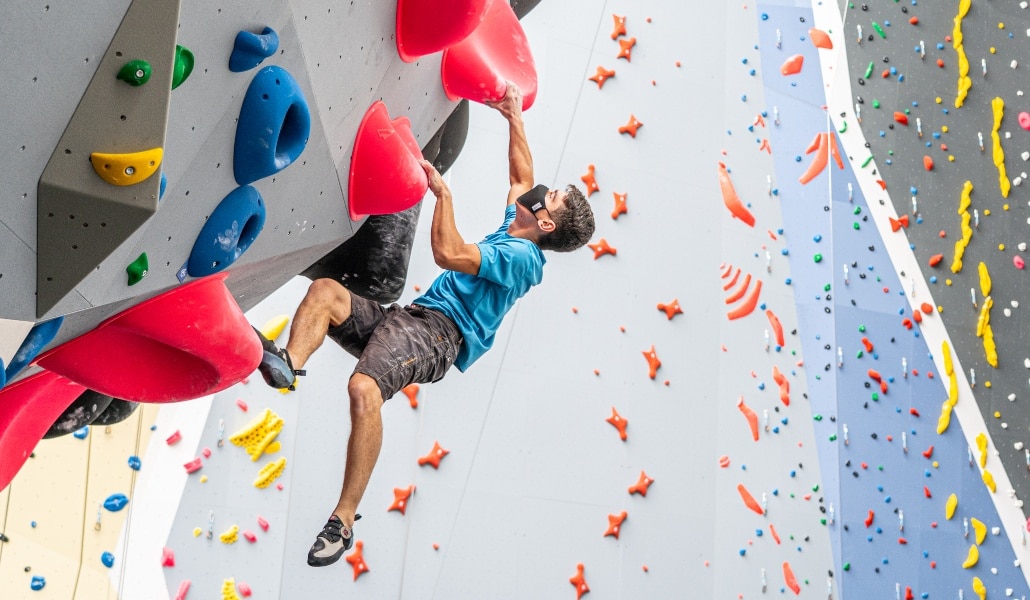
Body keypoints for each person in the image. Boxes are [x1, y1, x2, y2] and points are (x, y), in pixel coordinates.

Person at [254, 83, 596, 567]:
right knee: (326, 294)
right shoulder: (518, 223)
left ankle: (343, 520)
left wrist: (443, 195)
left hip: (439, 336)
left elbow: (448, 253)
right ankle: (288, 364)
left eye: (552, 196)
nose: (542, 191)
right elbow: (521, 175)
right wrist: (515, 116)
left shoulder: (522, 256)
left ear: (545, 223)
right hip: (411, 319)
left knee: (364, 389)